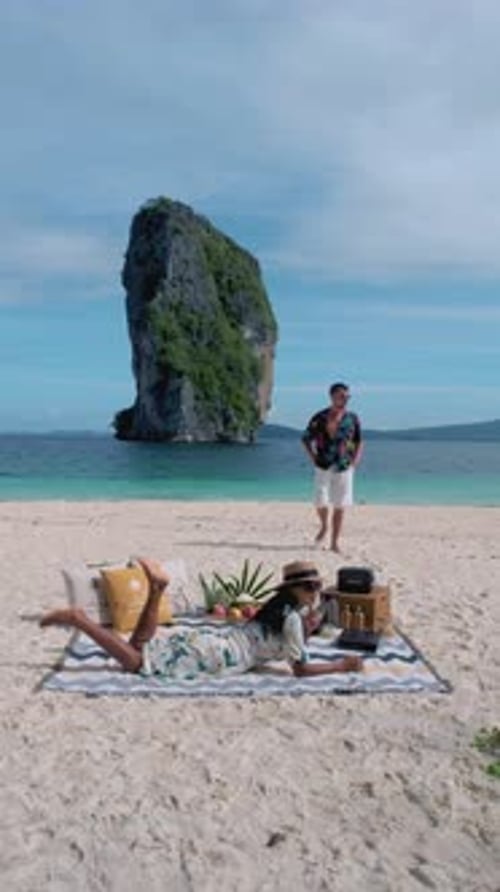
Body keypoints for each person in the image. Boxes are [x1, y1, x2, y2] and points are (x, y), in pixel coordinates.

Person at [40, 558, 362, 679]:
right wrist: (342, 665)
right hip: (223, 655)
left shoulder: (277, 607)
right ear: (300, 590)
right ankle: (81, 619)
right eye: (313, 587)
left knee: (139, 643)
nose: (316, 592)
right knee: (136, 663)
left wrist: (319, 614)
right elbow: (301, 669)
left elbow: (304, 624)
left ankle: (156, 589)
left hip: (217, 639)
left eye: (318, 586)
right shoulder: (292, 619)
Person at [302, 381, 363, 552]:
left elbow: (359, 440)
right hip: (323, 463)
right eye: (341, 396)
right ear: (332, 396)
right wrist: (312, 456)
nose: (345, 399)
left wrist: (356, 460)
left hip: (344, 465)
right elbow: (306, 438)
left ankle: (334, 543)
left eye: (347, 396)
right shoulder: (320, 417)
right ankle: (324, 525)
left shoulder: (352, 418)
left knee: (340, 504)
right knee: (320, 500)